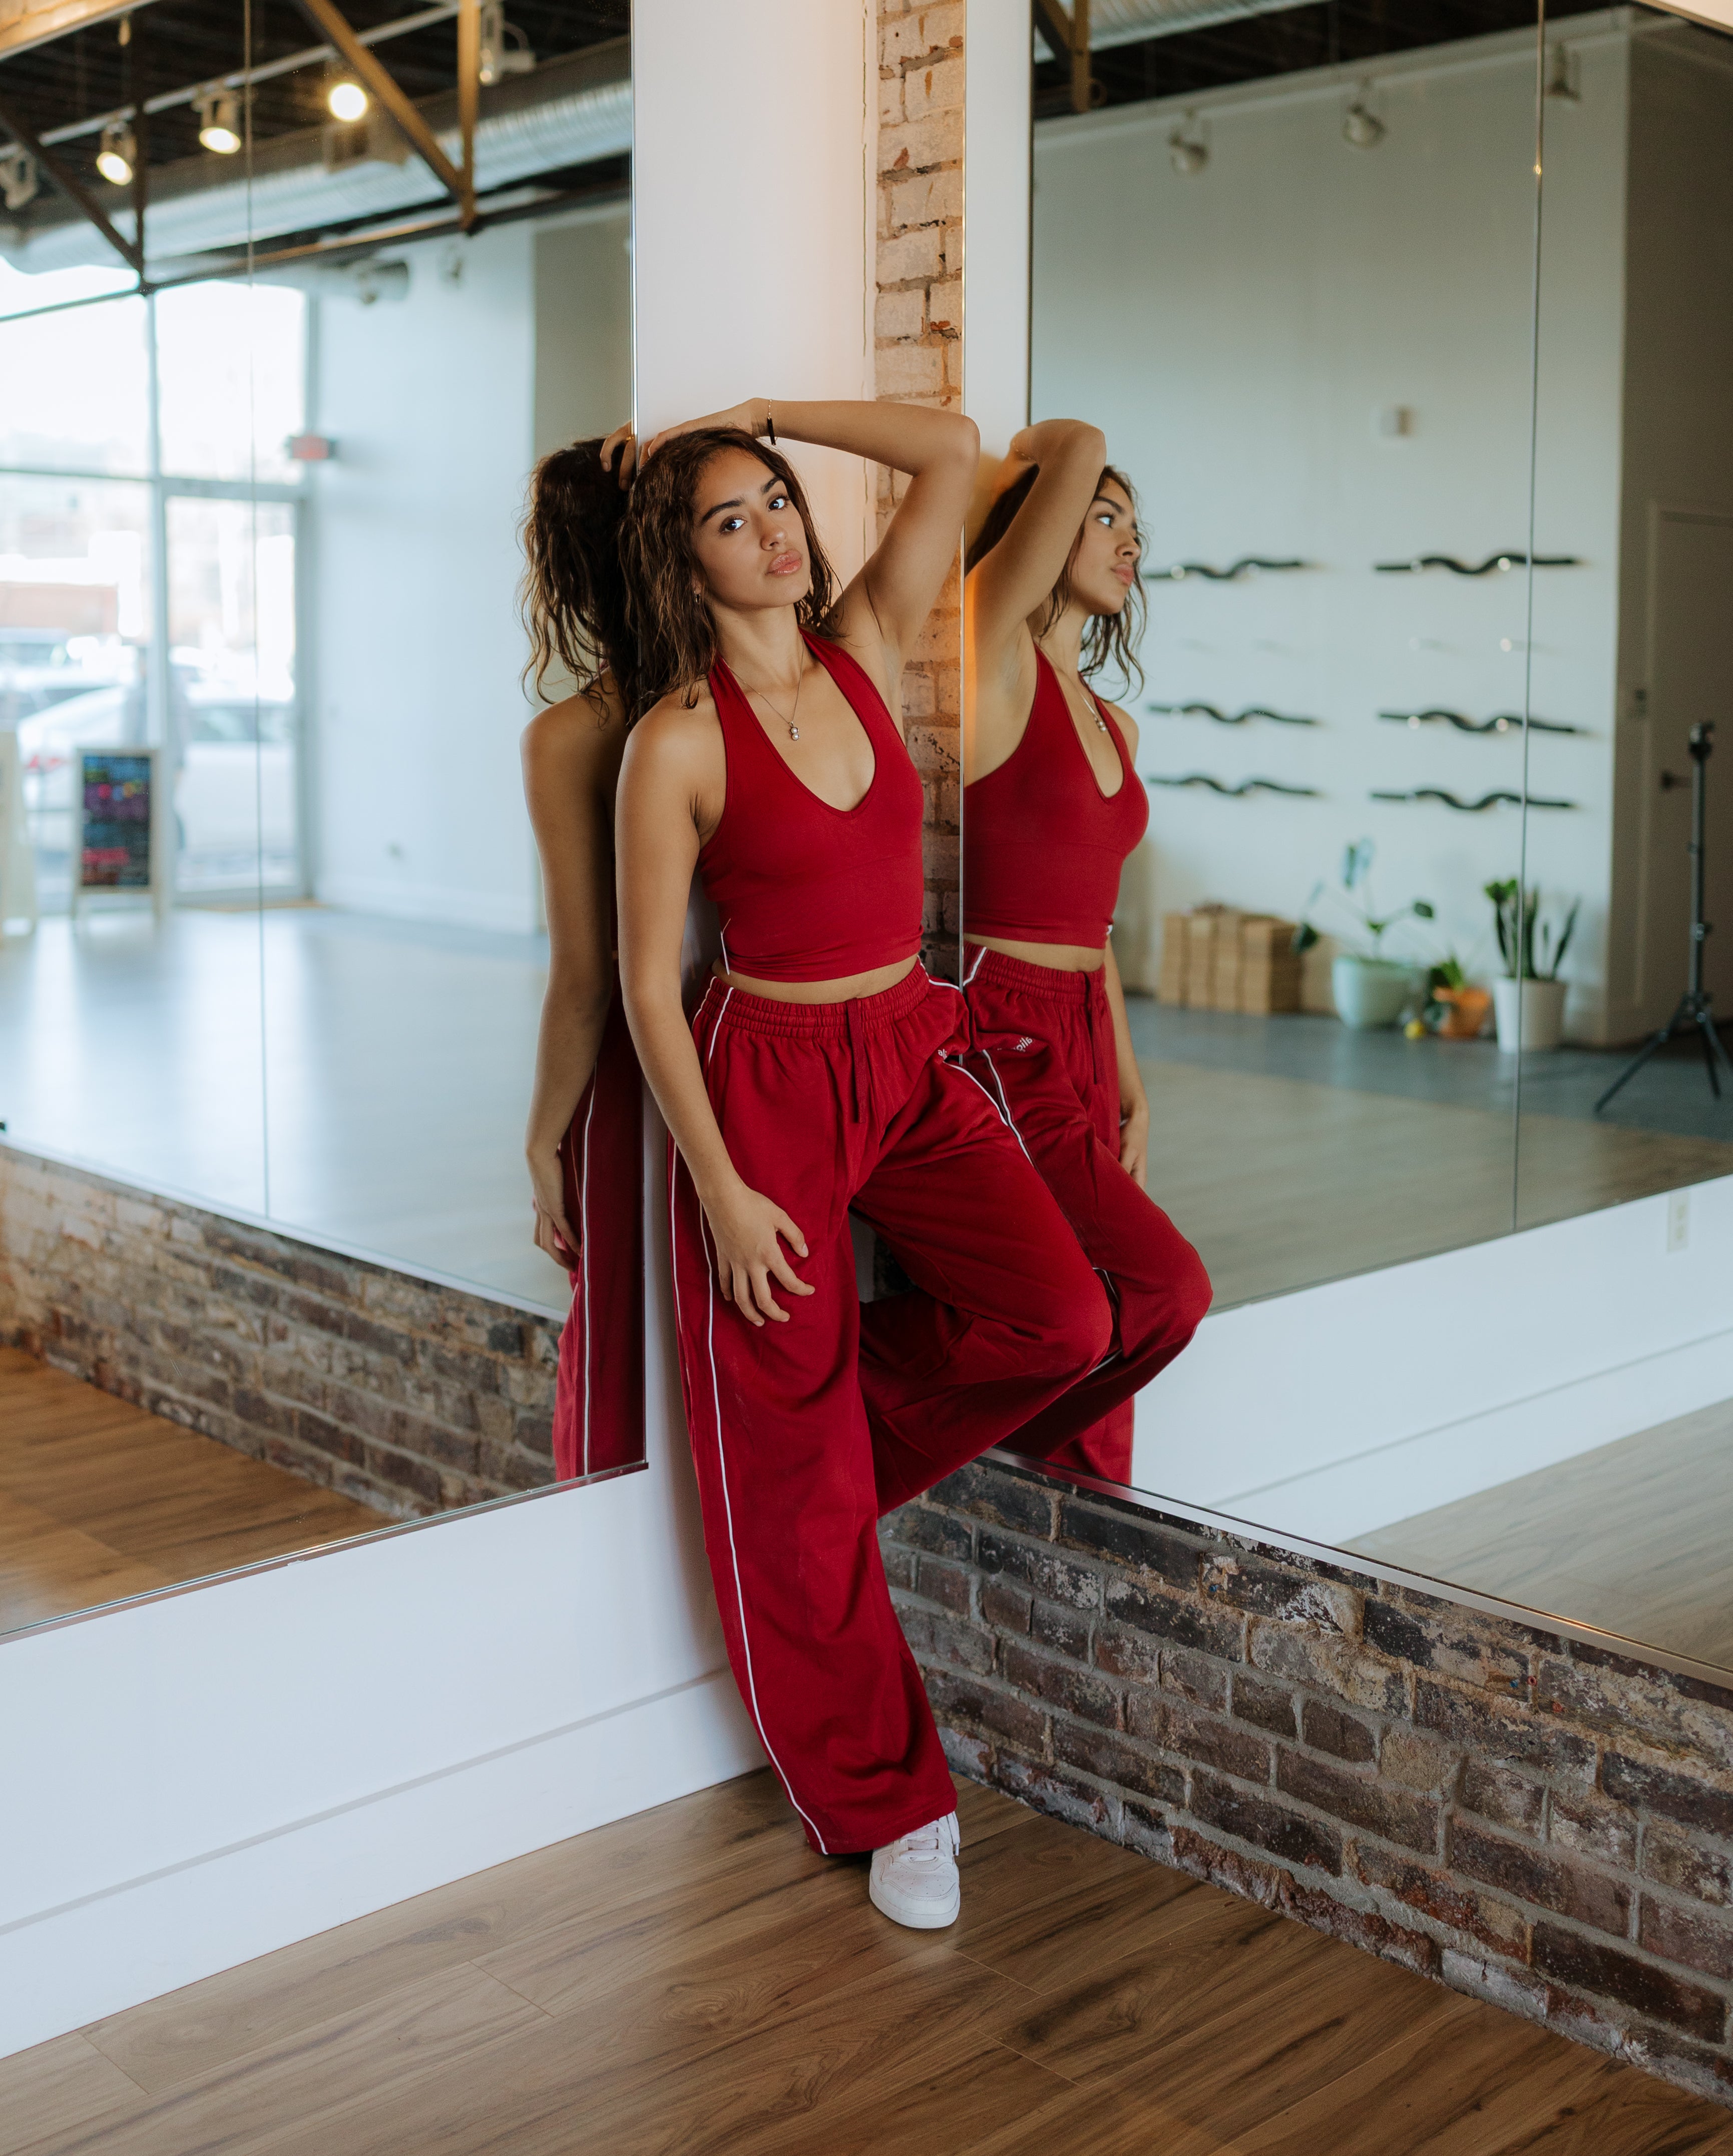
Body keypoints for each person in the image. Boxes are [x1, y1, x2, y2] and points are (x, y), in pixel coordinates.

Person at [612, 397, 1133, 1930]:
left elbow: (955, 449)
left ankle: (802, 1492)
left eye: (776, 497)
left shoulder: (863, 636)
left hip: (907, 1052)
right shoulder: (675, 741)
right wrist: (714, 1181)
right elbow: (653, 983)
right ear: (683, 562)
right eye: (731, 515)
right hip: (761, 1081)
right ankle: (884, 1799)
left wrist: (771, 413)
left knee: (1064, 1316)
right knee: (779, 1443)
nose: (774, 525)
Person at [962, 420, 1212, 1488]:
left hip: (1082, 1027)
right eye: (1104, 516)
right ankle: (959, 1434)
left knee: (1109, 1289)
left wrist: (1134, 1083)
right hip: (1000, 1025)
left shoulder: (1118, 727)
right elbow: (1053, 486)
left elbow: (1097, 931)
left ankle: (1068, 1498)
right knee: (1165, 1289)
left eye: (1136, 527)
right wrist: (1065, 448)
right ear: (1047, 525)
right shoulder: (997, 663)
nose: (1130, 543)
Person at [518, 439, 645, 1481]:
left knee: (616, 1322)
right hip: (765, 1056)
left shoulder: (574, 735)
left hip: (638, 1077)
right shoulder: (769, 691)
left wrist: (541, 1137)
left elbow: (585, 976)